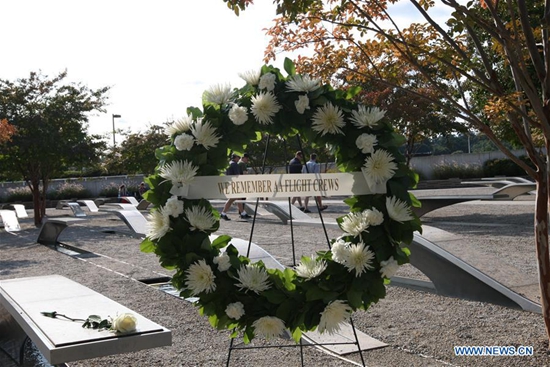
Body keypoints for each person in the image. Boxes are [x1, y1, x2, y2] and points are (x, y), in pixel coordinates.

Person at [221, 153, 251, 221]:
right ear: (236, 157)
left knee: (236, 199)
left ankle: (242, 213)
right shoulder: (235, 164)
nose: (239, 158)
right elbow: (237, 175)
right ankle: (224, 213)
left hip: (230, 183)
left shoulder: (229, 163)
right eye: (238, 157)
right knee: (234, 199)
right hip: (234, 184)